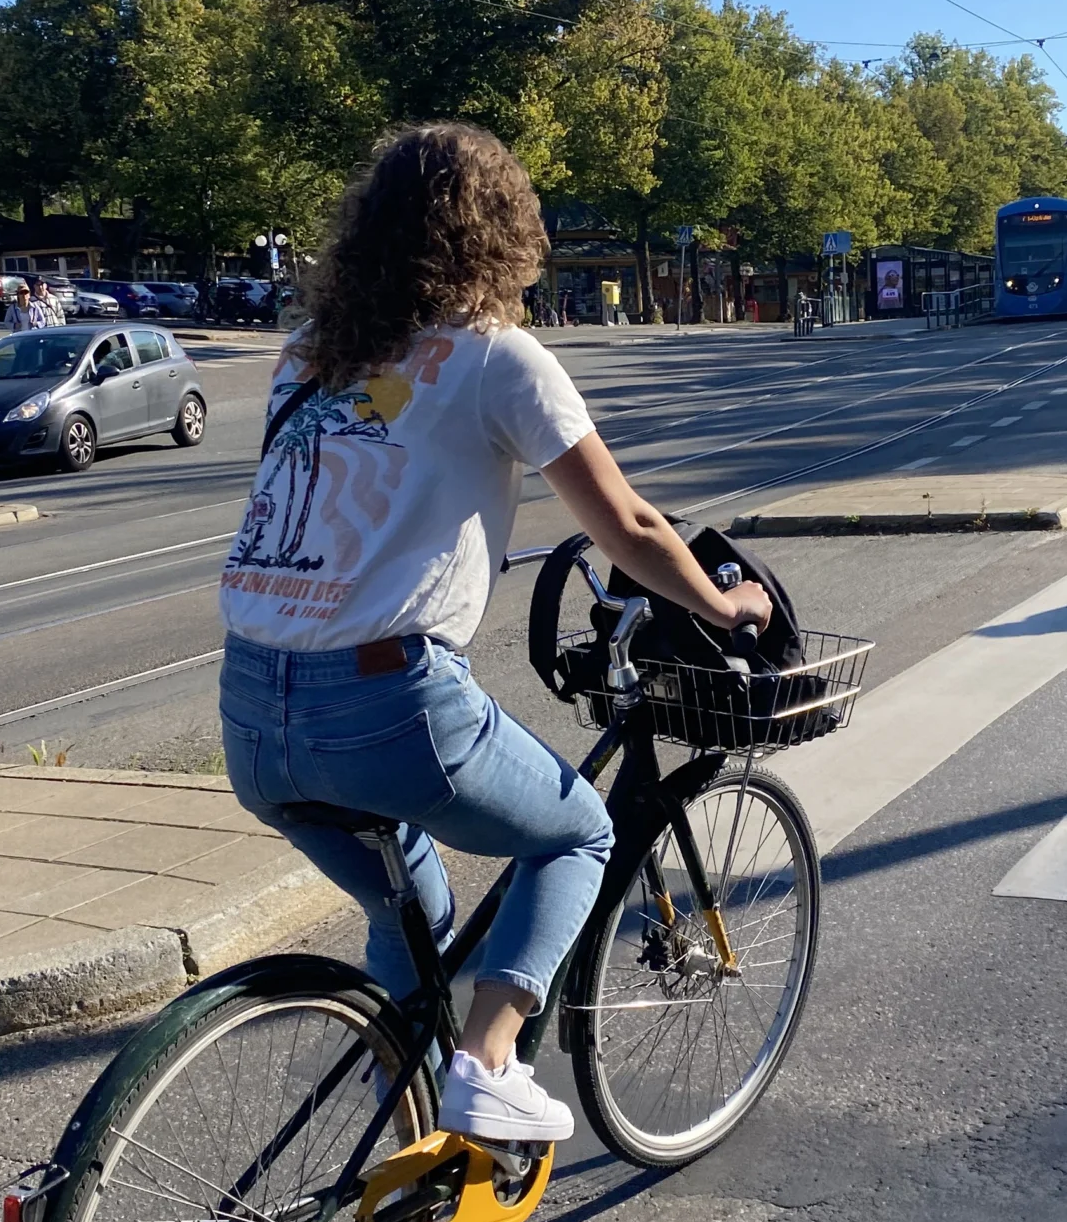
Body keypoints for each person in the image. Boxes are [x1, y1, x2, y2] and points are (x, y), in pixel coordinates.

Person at [218, 121, 773, 1147]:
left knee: (409, 910)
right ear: (501, 235)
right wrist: (722, 604)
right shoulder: (496, 359)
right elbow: (632, 528)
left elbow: (375, 448)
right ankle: (486, 1064)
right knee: (582, 832)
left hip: (251, 711)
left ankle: (416, 1136)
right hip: (386, 706)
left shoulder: (311, 357)